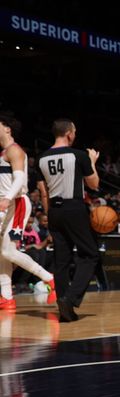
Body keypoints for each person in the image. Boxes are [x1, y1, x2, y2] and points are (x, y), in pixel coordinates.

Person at [36, 118, 101, 322]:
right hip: (74, 207)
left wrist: (51, 215)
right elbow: (94, 185)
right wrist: (92, 161)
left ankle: (64, 308)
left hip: (54, 210)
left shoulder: (42, 157)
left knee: (61, 260)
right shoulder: (78, 155)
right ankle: (70, 299)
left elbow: (42, 192)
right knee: (90, 254)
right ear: (69, 134)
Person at [0, 114, 56, 310]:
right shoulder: (4, 152)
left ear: (7, 128)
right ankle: (6, 297)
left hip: (17, 203)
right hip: (7, 204)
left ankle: (49, 279)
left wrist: (7, 198)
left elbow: (18, 179)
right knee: (2, 254)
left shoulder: (15, 151)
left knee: (8, 251)